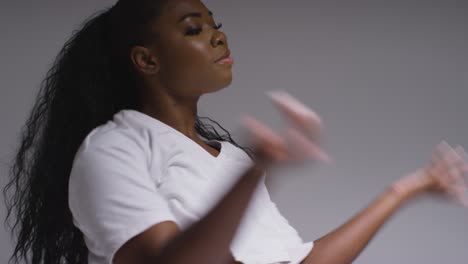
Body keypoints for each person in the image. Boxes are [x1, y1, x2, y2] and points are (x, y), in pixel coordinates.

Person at [3, 0, 468, 264]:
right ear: (146, 60)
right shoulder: (114, 148)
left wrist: (407, 189)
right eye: (193, 29)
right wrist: (259, 172)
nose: (219, 37)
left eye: (216, 26)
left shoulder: (232, 159)